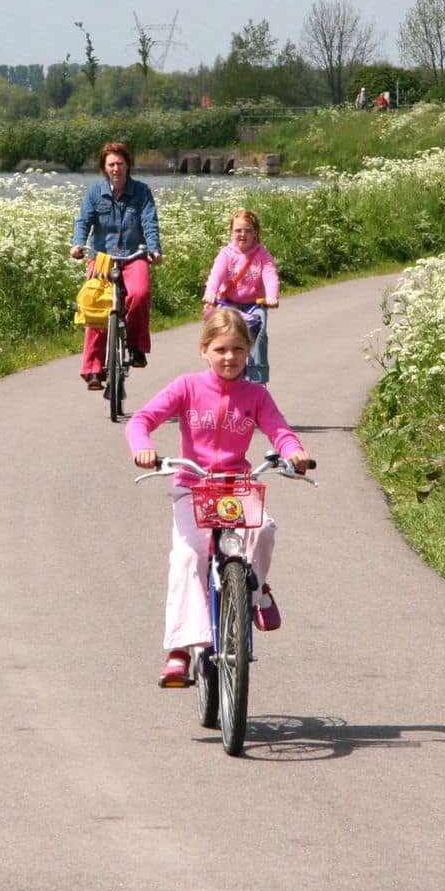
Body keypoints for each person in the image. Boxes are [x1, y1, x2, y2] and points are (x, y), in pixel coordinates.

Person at [125, 308, 310, 687]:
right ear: (204, 350)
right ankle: (180, 648)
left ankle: (255, 594)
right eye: (221, 349)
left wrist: (295, 452)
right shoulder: (187, 387)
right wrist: (142, 447)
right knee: (189, 556)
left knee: (265, 530)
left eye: (239, 349)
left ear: (249, 351)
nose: (230, 357)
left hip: (236, 487)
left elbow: (280, 430)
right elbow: (141, 420)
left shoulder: (256, 394)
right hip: (193, 488)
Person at [71, 141, 163, 389]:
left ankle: (136, 348)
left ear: (128, 165)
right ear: (104, 167)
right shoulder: (94, 194)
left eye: (120, 164)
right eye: (111, 164)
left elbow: (149, 223)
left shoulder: (141, 192)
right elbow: (83, 222)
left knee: (140, 294)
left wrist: (154, 249)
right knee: (96, 305)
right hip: (102, 258)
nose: (115, 168)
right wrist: (78, 245)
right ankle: (93, 370)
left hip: (134, 256)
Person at [202, 208, 279, 383]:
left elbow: (270, 275)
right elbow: (216, 275)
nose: (242, 234)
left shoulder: (262, 254)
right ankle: (217, 372)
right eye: (238, 230)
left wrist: (272, 295)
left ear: (255, 233)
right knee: (220, 334)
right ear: (231, 233)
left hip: (254, 305)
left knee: (259, 332)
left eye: (248, 230)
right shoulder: (226, 254)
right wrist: (210, 293)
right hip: (228, 304)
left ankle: (257, 378)